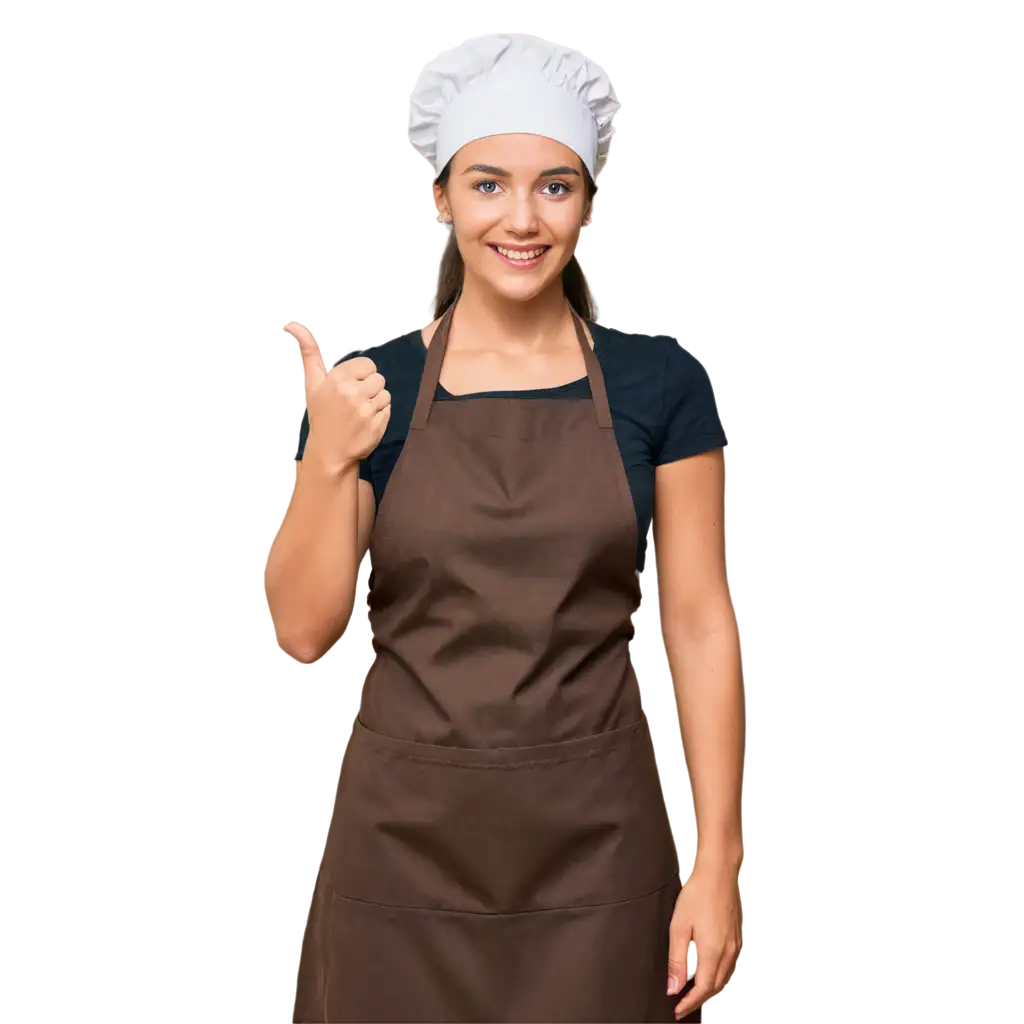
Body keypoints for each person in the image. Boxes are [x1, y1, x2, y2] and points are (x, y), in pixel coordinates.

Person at [262, 32, 742, 1023]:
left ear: (589, 202)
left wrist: (718, 862)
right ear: (440, 199)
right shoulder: (372, 387)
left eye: (554, 187)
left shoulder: (661, 385)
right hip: (404, 855)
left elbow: (698, 625)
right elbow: (307, 631)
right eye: (487, 185)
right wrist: (324, 457)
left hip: (598, 852)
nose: (520, 219)